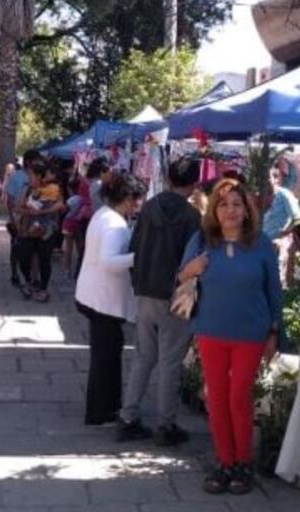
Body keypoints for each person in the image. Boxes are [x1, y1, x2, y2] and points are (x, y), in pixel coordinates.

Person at [178, 178, 283, 495]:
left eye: (237, 204)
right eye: (223, 204)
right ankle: (224, 462)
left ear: (247, 209)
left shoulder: (261, 243)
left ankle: (243, 463)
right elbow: (180, 277)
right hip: (211, 332)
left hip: (251, 334)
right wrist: (193, 268)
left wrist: (274, 332)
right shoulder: (201, 240)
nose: (230, 210)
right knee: (216, 398)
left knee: (238, 397)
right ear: (214, 210)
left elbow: (274, 290)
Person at [116, 157, 202, 446]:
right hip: (175, 294)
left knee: (143, 356)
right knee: (170, 361)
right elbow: (193, 261)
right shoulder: (192, 217)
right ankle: (166, 425)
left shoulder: (149, 207)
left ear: (167, 178)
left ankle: (128, 416)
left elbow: (134, 248)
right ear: (195, 184)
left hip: (145, 290)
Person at [75, 172, 147, 426]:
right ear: (128, 198)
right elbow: (108, 261)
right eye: (138, 199)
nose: (140, 205)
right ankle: (101, 411)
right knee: (106, 358)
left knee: (104, 355)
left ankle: (103, 407)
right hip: (103, 300)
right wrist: (139, 257)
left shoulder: (103, 215)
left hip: (93, 295)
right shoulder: (115, 224)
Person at [17, 163, 64, 302]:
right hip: (28, 230)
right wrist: (29, 212)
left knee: (44, 259)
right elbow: (18, 208)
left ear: (38, 176)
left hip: (46, 231)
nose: (28, 177)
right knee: (24, 258)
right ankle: (29, 281)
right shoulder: (27, 190)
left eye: (31, 174)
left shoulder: (53, 189)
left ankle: (43, 289)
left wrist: (43, 211)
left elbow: (61, 206)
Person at [4, 151, 41, 286]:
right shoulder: (16, 177)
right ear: (29, 161)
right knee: (16, 248)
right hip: (18, 219)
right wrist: (13, 220)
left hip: (35, 219)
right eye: (36, 160)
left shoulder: (40, 175)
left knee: (35, 250)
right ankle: (15, 274)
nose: (39, 162)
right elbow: (10, 201)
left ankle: (34, 277)